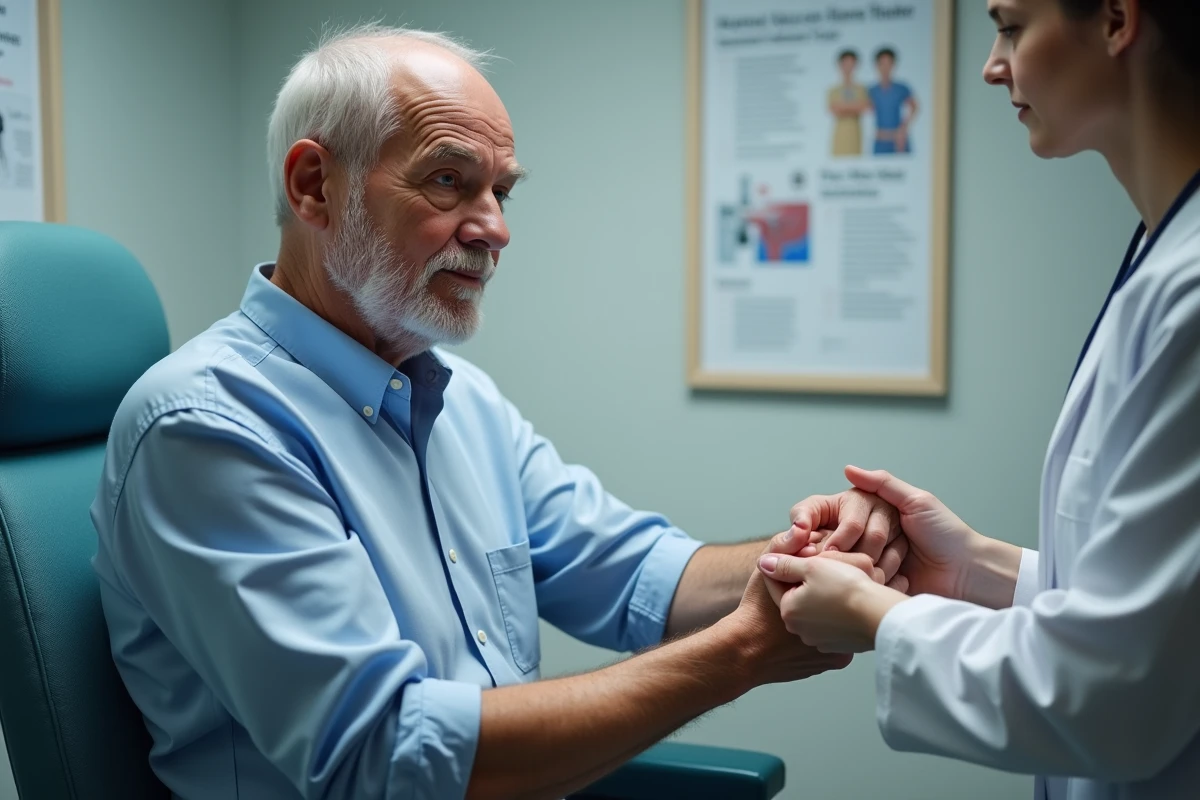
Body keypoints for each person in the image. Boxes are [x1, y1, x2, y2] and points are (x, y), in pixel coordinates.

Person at [90, 24, 907, 800]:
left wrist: (814, 551)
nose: (495, 230)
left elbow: (634, 577)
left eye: (501, 191)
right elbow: (387, 761)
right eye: (450, 180)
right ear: (315, 186)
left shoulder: (456, 398)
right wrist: (744, 652)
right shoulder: (206, 428)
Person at [758, 0, 1200, 798]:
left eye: (1010, 26)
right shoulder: (1161, 249)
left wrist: (874, 616)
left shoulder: (1192, 288)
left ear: (1113, 20)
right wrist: (972, 569)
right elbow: (1162, 614)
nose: (993, 65)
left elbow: (1113, 697)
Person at [867, 47, 918, 154]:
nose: (885, 68)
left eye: (888, 64)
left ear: (893, 65)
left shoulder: (901, 88)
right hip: (880, 139)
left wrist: (904, 127)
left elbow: (914, 106)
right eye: (882, 64)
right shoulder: (872, 90)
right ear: (877, 65)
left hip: (898, 140)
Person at [828, 49, 870, 157]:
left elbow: (864, 107)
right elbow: (834, 109)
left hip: (855, 136)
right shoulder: (833, 90)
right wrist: (854, 106)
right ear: (840, 65)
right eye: (845, 64)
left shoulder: (861, 89)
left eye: (851, 64)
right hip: (840, 136)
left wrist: (843, 106)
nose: (848, 67)